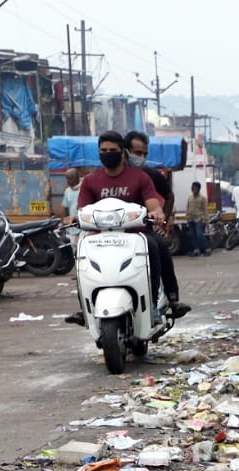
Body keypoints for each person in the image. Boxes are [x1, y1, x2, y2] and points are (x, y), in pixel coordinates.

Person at [64, 130, 189, 326]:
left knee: (156, 246)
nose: (108, 153)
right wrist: (74, 217)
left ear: (122, 152)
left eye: (112, 150)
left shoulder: (141, 177)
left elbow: (154, 205)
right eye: (103, 150)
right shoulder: (90, 181)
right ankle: (84, 308)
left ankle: (155, 304)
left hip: (136, 234)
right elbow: (83, 210)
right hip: (99, 237)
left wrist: (157, 213)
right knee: (81, 256)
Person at [124, 130, 185, 314]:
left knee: (159, 247)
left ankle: (171, 297)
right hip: (109, 230)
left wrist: (161, 221)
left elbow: (168, 196)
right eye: (137, 153)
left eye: (144, 154)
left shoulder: (147, 175)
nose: (140, 158)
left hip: (141, 228)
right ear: (125, 151)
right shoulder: (103, 176)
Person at [185, 182, 211, 257]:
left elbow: (205, 210)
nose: (193, 189)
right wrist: (186, 217)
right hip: (190, 219)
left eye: (195, 188)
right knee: (193, 235)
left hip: (199, 218)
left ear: (198, 189)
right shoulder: (190, 197)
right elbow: (187, 207)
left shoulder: (203, 198)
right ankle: (196, 250)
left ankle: (207, 249)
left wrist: (206, 221)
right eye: (192, 188)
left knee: (200, 234)